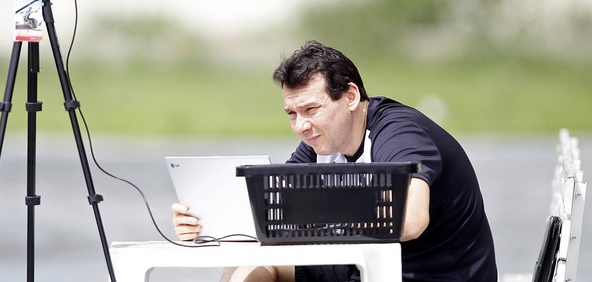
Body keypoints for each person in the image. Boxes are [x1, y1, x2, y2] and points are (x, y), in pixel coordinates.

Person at [172, 40, 498, 282]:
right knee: (248, 268)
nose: (301, 125)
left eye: (311, 110)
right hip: (365, 268)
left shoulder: (399, 134)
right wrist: (207, 223)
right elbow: (274, 209)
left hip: (431, 274)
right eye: (292, 114)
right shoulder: (322, 142)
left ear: (351, 96)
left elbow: (411, 221)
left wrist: (320, 216)